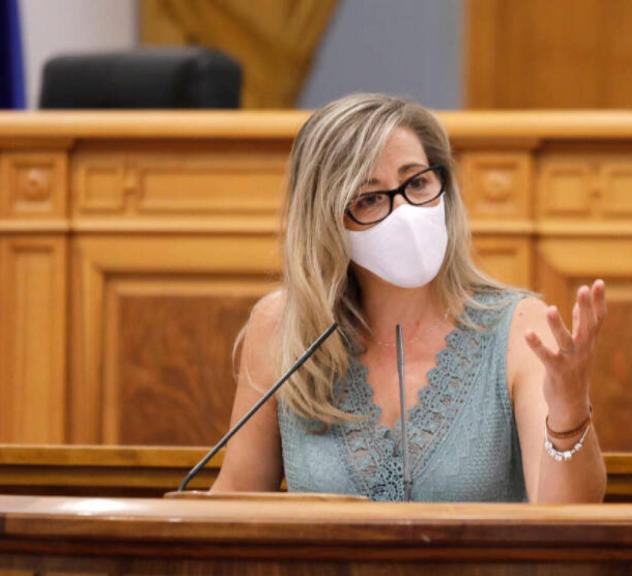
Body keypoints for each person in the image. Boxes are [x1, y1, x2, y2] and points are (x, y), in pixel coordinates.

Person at [209, 93, 608, 503]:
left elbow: (566, 521)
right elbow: (234, 504)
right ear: (326, 221)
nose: (405, 211)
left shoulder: (525, 329)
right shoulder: (281, 327)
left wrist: (569, 411)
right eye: (369, 198)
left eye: (417, 182)